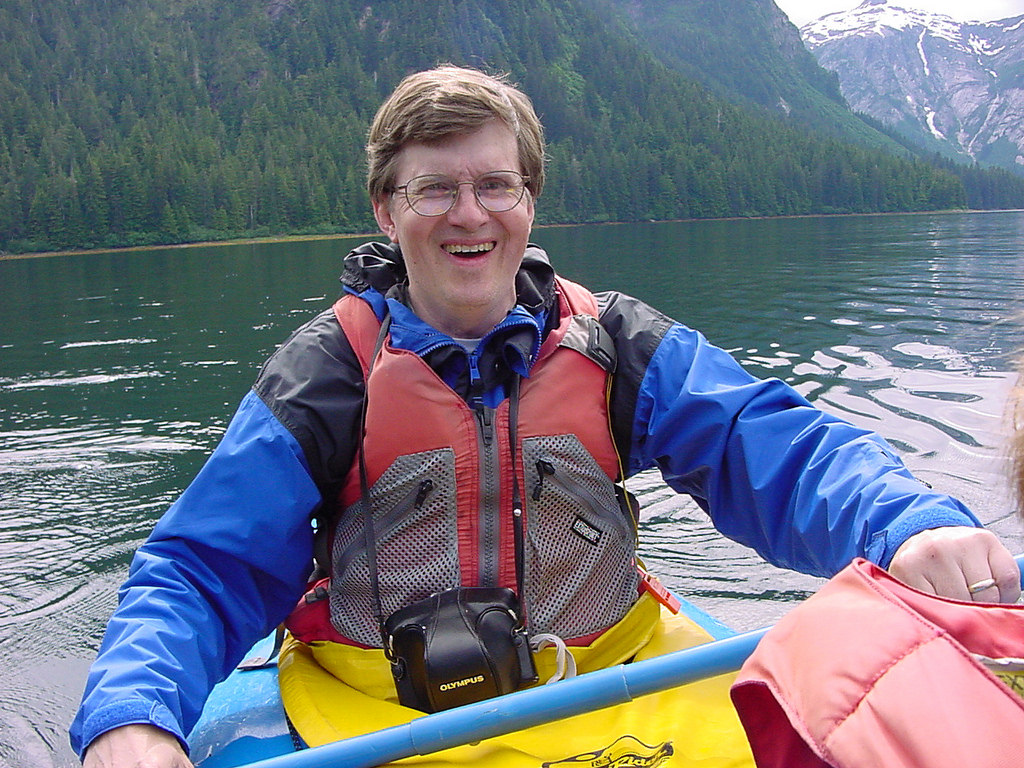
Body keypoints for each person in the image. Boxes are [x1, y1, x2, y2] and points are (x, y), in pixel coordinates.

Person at [71, 65, 1021, 768]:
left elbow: (773, 445)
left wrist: (910, 526)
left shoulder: (619, 345)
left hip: (615, 682)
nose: (467, 214)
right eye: (434, 188)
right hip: (379, 714)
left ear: (529, 199)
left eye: (494, 184)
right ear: (386, 209)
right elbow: (201, 565)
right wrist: (132, 714)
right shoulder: (326, 376)